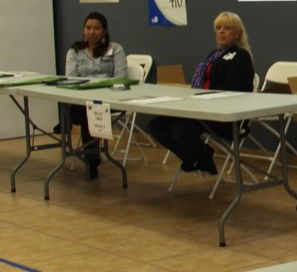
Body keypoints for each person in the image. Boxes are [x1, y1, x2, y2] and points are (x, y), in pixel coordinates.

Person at [148, 11, 254, 175]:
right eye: (218, 28)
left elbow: (233, 91)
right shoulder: (214, 54)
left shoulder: (241, 56)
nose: (221, 31)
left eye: (227, 28)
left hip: (222, 114)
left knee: (180, 130)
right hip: (199, 108)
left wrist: (203, 100)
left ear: (237, 33)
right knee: (156, 125)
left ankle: (199, 155)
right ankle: (197, 155)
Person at [64, 11, 127, 179]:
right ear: (83, 30)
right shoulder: (75, 51)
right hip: (82, 99)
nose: (92, 32)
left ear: (104, 31)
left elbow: (120, 77)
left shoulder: (116, 49)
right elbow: (70, 77)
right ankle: (91, 158)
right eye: (88, 28)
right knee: (84, 110)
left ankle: (89, 157)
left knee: (87, 112)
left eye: (97, 28)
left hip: (108, 99)